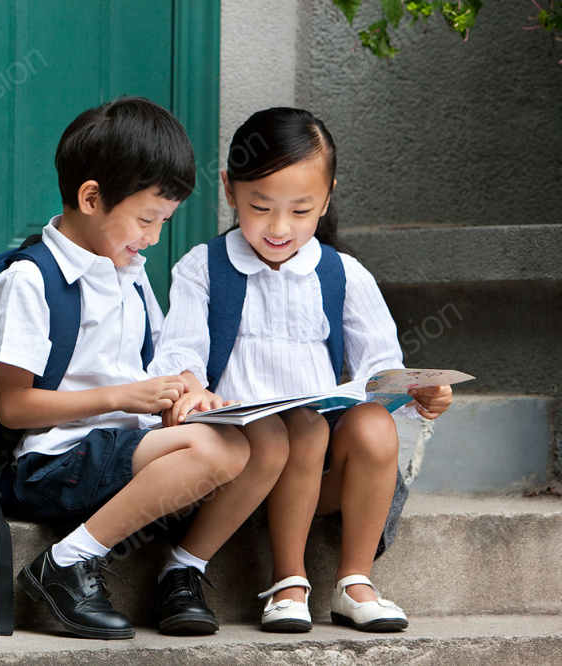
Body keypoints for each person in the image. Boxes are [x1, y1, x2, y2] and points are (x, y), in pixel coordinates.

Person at [0, 97, 292, 640]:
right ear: (91, 198)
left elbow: (158, 360)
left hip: (126, 447)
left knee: (267, 438)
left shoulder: (131, 274)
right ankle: (65, 563)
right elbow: (13, 407)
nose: (152, 237)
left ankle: (183, 570)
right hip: (55, 460)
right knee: (219, 450)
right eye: (147, 219)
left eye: (163, 222)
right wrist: (125, 397)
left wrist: (188, 390)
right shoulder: (31, 280)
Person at [149, 107, 454, 633]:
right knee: (301, 429)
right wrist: (192, 388)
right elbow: (181, 357)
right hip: (239, 468)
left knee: (371, 424)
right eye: (261, 207)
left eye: (300, 210)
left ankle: (354, 582)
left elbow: (382, 369)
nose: (279, 227)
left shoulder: (343, 273)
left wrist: (418, 392)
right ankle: (288, 581)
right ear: (229, 190)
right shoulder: (205, 267)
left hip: (318, 477)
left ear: (327, 198)